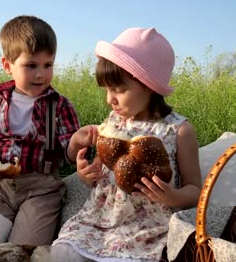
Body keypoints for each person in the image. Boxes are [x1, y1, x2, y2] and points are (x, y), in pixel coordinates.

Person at [51, 27, 202, 261]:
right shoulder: (113, 123)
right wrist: (87, 175)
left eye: (118, 90)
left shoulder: (178, 130)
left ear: (148, 85)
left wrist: (173, 197)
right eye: (107, 90)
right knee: (62, 252)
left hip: (150, 227)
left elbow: (195, 190)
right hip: (100, 219)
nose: (109, 99)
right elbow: (102, 170)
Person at [0, 15, 91, 246]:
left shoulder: (59, 105)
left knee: (24, 249)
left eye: (48, 65)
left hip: (42, 191)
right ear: (7, 65)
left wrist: (77, 142)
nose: (41, 74)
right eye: (31, 65)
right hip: (1, 190)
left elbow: (69, 155)